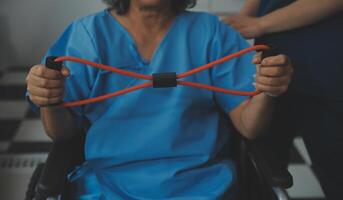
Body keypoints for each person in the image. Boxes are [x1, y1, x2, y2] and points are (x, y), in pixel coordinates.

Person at [25, 0, 293, 199]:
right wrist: (50, 100)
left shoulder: (211, 33)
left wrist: (267, 90)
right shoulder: (88, 35)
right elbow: (60, 131)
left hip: (203, 188)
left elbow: (250, 126)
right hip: (108, 188)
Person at [224, 0, 343, 199]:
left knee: (334, 172)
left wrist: (259, 23)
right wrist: (243, 19)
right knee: (262, 169)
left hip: (326, 67)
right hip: (272, 59)